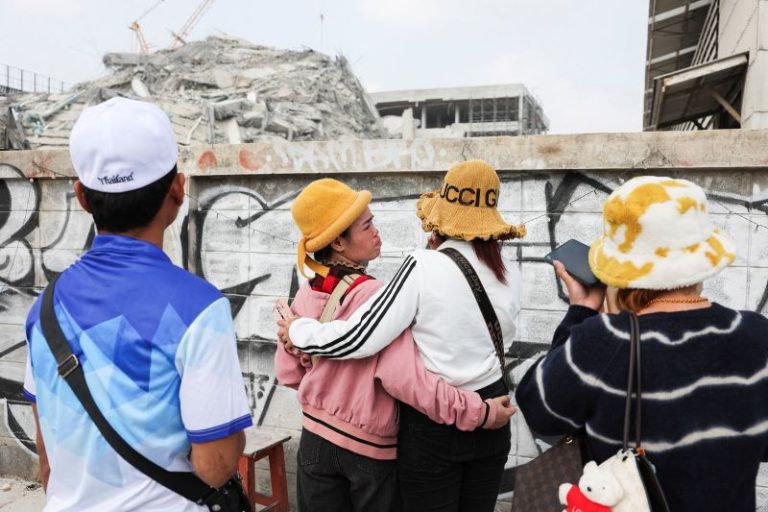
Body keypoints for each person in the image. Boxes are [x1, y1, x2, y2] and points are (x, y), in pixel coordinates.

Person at [22, 97, 252, 512]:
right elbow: (216, 466)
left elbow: (48, 460)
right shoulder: (199, 309)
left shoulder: (44, 309)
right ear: (178, 189)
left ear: (81, 197)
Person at [279, 160, 525, 512]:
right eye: (368, 224)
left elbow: (357, 339)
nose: (376, 230)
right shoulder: (509, 272)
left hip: (428, 427)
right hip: (491, 407)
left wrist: (298, 330)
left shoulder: (421, 265)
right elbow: (500, 342)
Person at [514, 176, 768, 511]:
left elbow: (539, 412)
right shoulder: (756, 335)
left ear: (621, 268)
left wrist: (580, 311)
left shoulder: (603, 342)